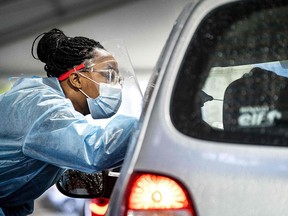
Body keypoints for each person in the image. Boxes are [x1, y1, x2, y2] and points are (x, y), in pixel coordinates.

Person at [0, 28, 139, 215]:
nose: (117, 85)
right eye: (108, 75)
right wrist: (146, 122)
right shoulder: (42, 106)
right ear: (76, 79)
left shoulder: (42, 101)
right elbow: (95, 150)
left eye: (118, 79)